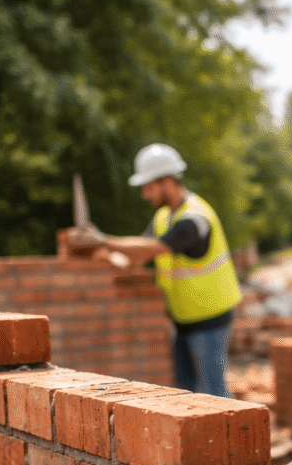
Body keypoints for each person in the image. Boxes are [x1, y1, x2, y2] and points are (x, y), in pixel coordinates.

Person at [96, 143, 241, 397]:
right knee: (184, 394)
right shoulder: (164, 217)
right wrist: (105, 255)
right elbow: (139, 254)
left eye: (148, 186)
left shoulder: (194, 219)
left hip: (210, 322)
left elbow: (148, 248)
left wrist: (101, 239)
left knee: (214, 395)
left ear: (166, 181)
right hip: (182, 322)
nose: (144, 194)